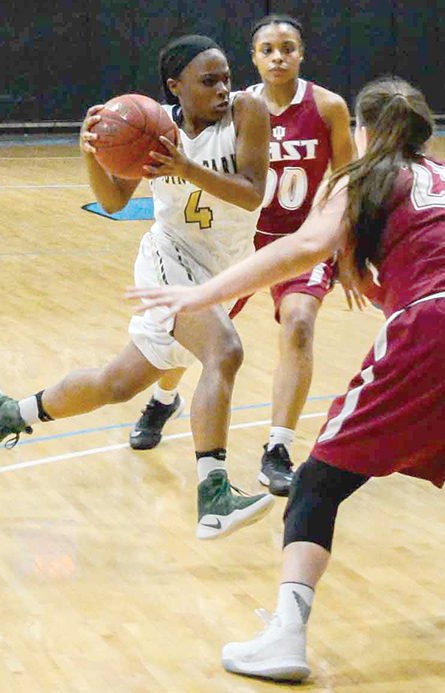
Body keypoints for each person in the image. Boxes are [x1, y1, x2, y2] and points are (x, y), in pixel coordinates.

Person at [126, 76, 445, 681]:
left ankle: (285, 637)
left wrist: (202, 292)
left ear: (363, 132)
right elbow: (436, 250)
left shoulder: (360, 179)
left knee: (316, 483)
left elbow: (301, 248)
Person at [0, 35, 276, 541]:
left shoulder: (248, 113)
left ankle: (9, 412)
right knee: (225, 351)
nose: (223, 89)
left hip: (221, 274)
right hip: (167, 262)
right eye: (208, 80)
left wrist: (186, 169)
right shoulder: (154, 128)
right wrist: (90, 151)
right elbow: (111, 200)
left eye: (226, 78)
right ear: (175, 86)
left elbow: (251, 192)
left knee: (117, 384)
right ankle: (213, 495)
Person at [128, 14, 357, 499]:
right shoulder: (235, 108)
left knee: (298, 324)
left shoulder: (328, 106)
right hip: (241, 243)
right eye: (268, 49)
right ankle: (163, 397)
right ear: (253, 58)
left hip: (299, 242)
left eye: (288, 47)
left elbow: (348, 181)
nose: (279, 56)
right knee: (200, 338)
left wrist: (351, 246)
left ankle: (277, 447)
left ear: (302, 54)